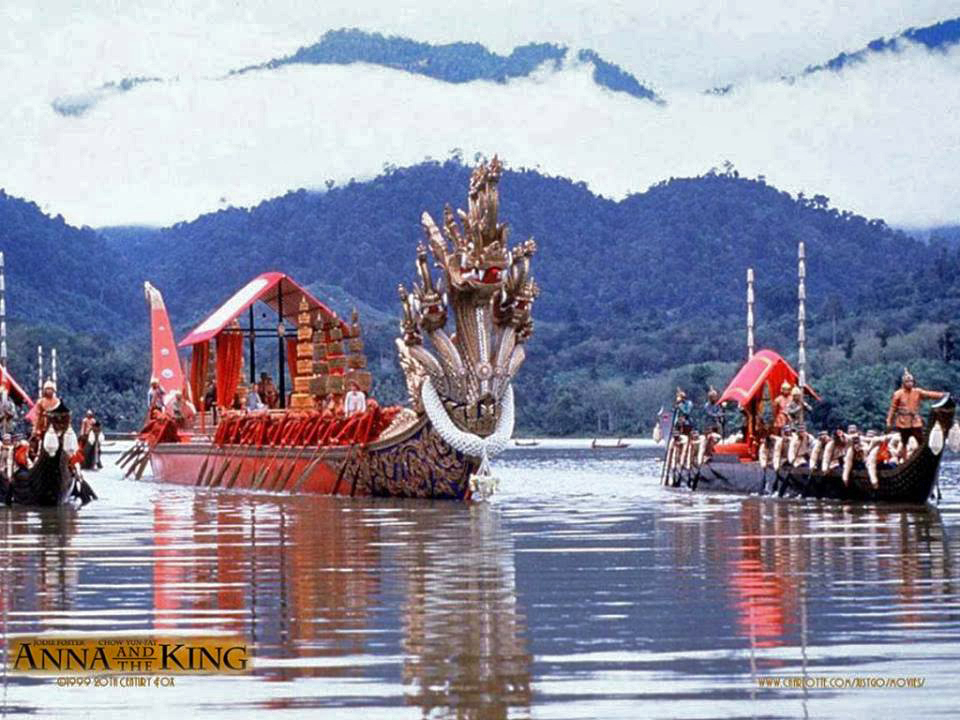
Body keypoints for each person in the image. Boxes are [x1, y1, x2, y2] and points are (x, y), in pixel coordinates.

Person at [885, 368, 946, 448]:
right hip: (903, 421)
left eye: (911, 381)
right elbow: (893, 409)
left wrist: (942, 395)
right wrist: (889, 422)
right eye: (907, 382)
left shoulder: (917, 392)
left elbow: (929, 394)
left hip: (915, 420)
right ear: (903, 383)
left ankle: (922, 451)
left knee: (920, 439)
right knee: (904, 442)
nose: (910, 383)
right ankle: (904, 454)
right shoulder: (898, 394)